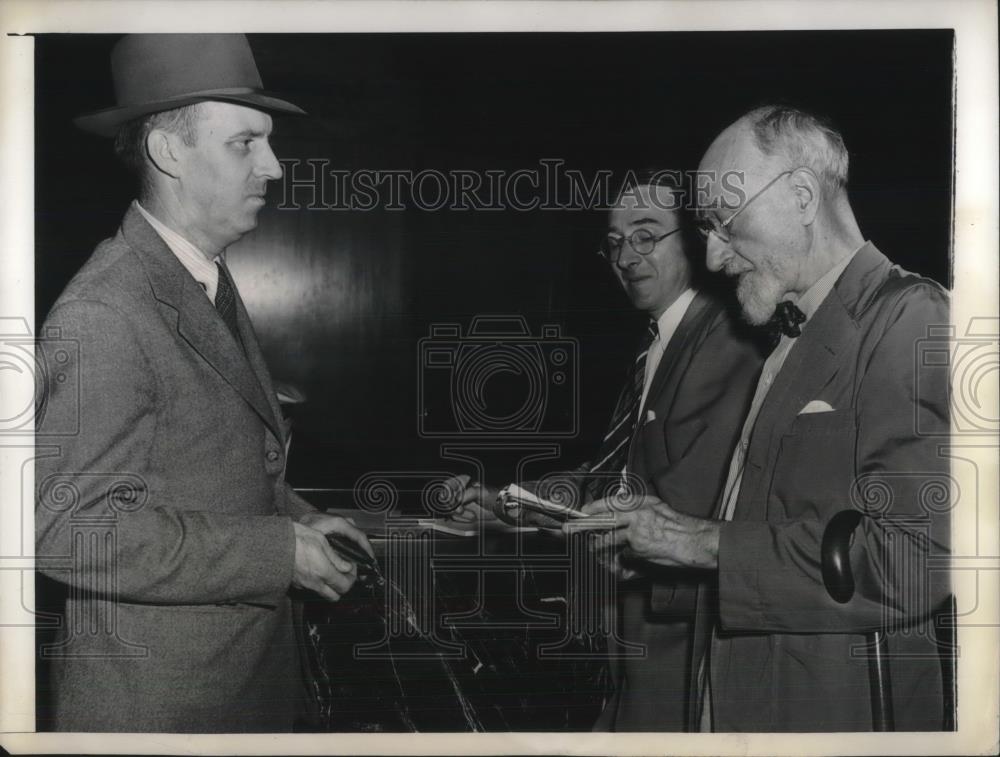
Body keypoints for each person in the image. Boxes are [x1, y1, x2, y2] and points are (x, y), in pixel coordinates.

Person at [572, 106, 951, 731]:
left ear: (801, 196)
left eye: (726, 224)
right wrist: (669, 535)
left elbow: (917, 558)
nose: (715, 259)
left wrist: (702, 541)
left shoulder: (911, 317)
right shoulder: (784, 336)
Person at [34, 34, 373, 733]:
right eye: (245, 142)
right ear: (168, 152)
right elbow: (74, 530)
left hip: (231, 698)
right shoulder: (105, 312)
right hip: (160, 715)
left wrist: (301, 517)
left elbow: (210, 462)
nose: (273, 167)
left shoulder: (198, 274)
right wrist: (279, 552)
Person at [447, 173, 765, 730]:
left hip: (676, 634)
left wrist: (530, 513)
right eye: (615, 243)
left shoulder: (721, 338)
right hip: (637, 633)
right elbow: (613, 475)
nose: (626, 256)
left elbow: (675, 501)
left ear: (693, 239)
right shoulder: (660, 342)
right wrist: (507, 501)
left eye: (646, 236)